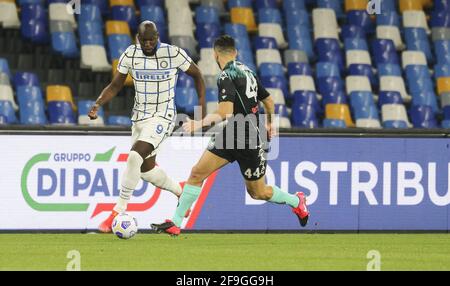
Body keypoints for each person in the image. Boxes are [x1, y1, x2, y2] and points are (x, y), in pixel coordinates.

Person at [151, 35, 309, 236]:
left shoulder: (226, 76)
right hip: (233, 133)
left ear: (215, 54)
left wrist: (198, 123)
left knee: (257, 192)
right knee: (197, 173)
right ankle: (176, 222)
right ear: (235, 53)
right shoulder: (248, 71)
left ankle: (296, 200)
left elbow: (224, 111)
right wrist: (270, 123)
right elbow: (269, 100)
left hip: (249, 137)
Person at [88, 21, 206, 232]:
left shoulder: (173, 53)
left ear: (158, 37)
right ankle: (181, 191)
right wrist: (98, 103)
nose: (149, 44)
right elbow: (116, 84)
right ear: (137, 38)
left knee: (134, 156)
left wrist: (202, 107)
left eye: (153, 40)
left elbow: (197, 74)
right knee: (145, 169)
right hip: (139, 117)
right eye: (145, 40)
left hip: (163, 116)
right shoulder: (130, 54)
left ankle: (117, 211)